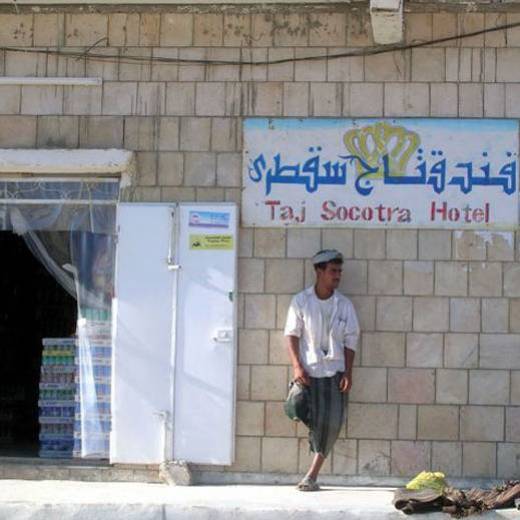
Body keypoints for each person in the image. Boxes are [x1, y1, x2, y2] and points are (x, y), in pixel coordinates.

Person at [284, 249, 360, 491]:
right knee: (297, 409)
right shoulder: (302, 301)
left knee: (332, 423)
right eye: (332, 271)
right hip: (309, 373)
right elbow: (292, 334)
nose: (337, 276)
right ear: (319, 271)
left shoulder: (344, 305)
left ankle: (311, 475)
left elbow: (351, 340)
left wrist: (348, 373)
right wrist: (297, 367)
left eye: (339, 271)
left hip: (334, 373)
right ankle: (317, 437)